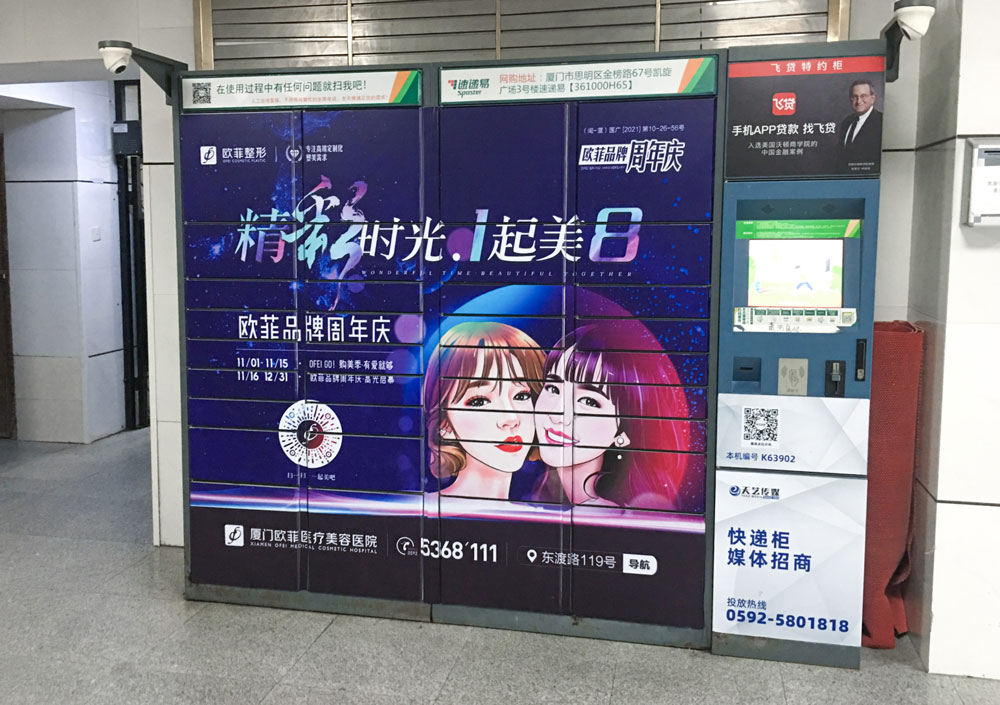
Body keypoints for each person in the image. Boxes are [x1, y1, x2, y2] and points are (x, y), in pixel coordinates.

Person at [529, 321, 691, 509]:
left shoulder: (600, 513)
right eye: (553, 389)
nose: (557, 415)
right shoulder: (550, 497)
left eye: (588, 401)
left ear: (625, 431)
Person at [424, 321, 545, 500]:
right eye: (480, 401)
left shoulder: (535, 514)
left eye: (521, 396)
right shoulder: (414, 508)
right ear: (444, 424)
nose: (511, 418)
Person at [836, 79, 882, 173]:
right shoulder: (846, 122)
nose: (858, 101)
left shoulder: (880, 121)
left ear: (872, 98)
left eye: (863, 96)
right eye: (855, 97)